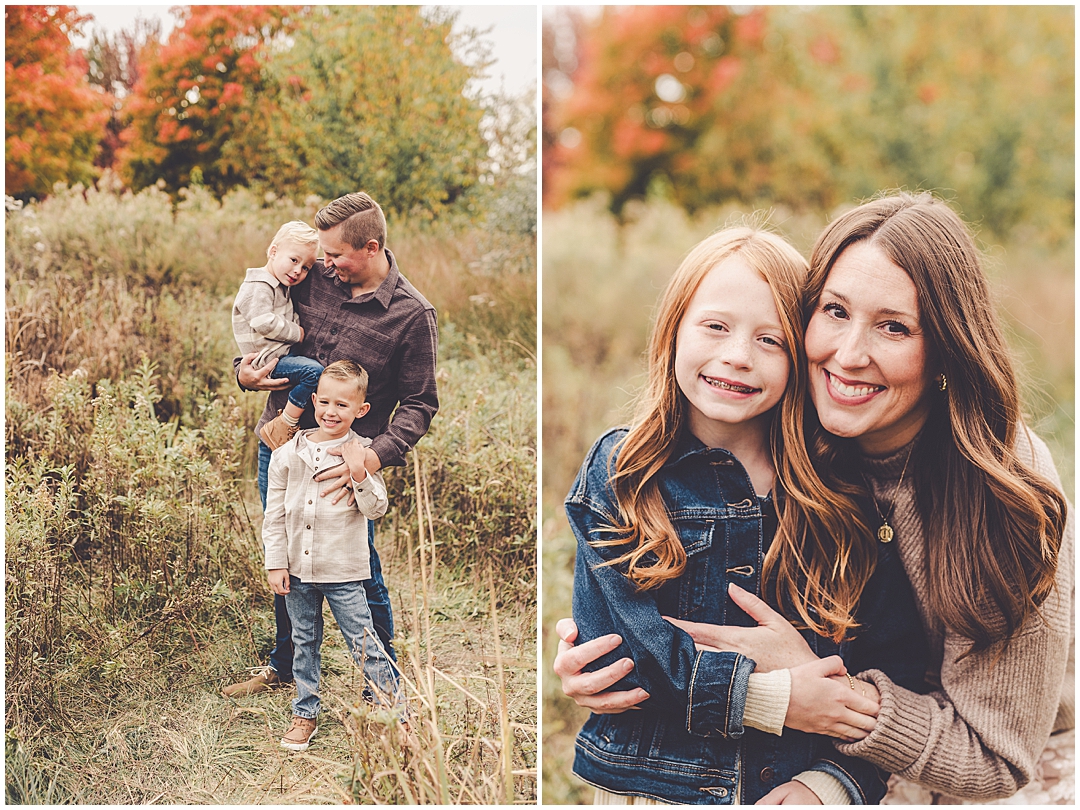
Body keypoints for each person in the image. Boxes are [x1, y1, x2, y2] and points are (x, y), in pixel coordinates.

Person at [554, 192, 1074, 803]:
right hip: (833, 750)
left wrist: (811, 719)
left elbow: (990, 757)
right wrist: (605, 656)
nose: (849, 356)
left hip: (990, 766)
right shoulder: (803, 455)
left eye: (894, 326)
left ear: (945, 348)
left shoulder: (998, 481)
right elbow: (644, 635)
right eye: (833, 311)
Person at [566, 224, 932, 805]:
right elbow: (623, 658)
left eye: (771, 340)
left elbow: (893, 665)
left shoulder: (837, 492)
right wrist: (776, 699)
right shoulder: (624, 472)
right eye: (715, 326)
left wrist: (833, 784)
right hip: (657, 790)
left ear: (800, 356)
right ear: (674, 329)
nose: (737, 356)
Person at [224, 191, 439, 698]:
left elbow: (420, 403)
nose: (325, 264)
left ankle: (382, 686)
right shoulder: (312, 276)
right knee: (285, 550)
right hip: (282, 446)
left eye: (336, 255)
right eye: (322, 254)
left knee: (359, 568)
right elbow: (260, 333)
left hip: (344, 463)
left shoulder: (411, 315)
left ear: (370, 247)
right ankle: (282, 665)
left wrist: (371, 456)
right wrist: (244, 375)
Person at [264, 360, 398, 751]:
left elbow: (376, 509)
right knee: (305, 642)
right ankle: (305, 713)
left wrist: (359, 473)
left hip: (342, 570)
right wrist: (276, 562)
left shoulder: (363, 452)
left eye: (342, 405)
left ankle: (395, 713)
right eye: (324, 402)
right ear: (312, 401)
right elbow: (274, 514)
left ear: (361, 410)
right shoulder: (288, 454)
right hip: (298, 570)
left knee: (364, 642)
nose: (330, 412)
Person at [231, 220, 324, 451]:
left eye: (305, 268)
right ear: (273, 251)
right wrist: (298, 333)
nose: (298, 271)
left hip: (278, 354)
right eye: (294, 260)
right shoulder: (259, 285)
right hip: (269, 359)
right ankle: (286, 423)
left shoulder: (279, 283)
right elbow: (262, 322)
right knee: (313, 372)